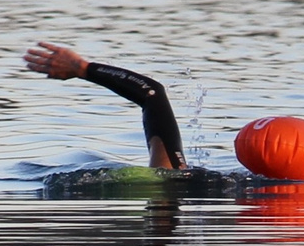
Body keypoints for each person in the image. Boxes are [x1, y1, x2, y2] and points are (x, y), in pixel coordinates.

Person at [22, 42, 186, 170]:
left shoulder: (173, 175)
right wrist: (82, 68)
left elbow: (152, 93)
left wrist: (82, 68)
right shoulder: (176, 176)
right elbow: (152, 93)